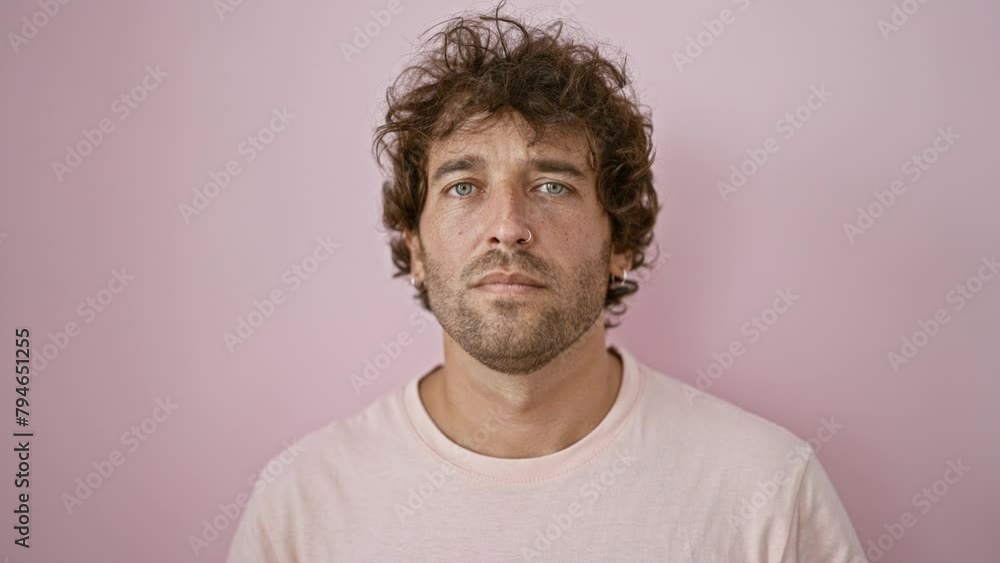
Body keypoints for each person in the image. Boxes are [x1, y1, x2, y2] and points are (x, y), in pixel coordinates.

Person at [226, 3, 867, 561]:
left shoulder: (768, 490)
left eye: (552, 185)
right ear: (416, 248)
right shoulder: (301, 506)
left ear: (620, 241)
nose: (508, 227)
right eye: (463, 187)